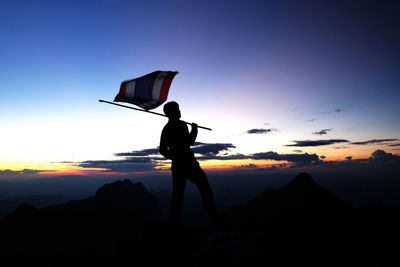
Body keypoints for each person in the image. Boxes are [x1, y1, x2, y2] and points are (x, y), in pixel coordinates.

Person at [159, 101, 219, 233]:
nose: (180, 111)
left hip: (179, 165)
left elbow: (163, 149)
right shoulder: (179, 126)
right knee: (204, 189)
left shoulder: (167, 128)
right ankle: (215, 220)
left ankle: (174, 227)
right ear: (173, 112)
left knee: (178, 196)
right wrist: (195, 130)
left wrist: (174, 157)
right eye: (178, 109)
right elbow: (188, 142)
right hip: (189, 163)